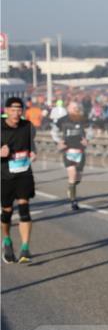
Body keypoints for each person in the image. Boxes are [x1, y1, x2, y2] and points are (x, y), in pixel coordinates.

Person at [1, 97, 37, 263]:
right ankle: (7, 240)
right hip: (5, 176)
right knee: (7, 212)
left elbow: (32, 146)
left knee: (24, 209)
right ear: (6, 110)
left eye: (19, 110)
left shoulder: (28, 126)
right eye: (13, 110)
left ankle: (25, 248)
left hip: (24, 174)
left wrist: (33, 153)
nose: (16, 113)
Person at [52, 101, 91, 211]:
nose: (76, 109)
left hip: (80, 151)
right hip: (68, 150)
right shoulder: (62, 120)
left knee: (78, 178)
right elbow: (54, 132)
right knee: (72, 175)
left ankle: (71, 187)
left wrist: (87, 139)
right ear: (68, 109)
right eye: (73, 107)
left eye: (77, 107)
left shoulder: (83, 119)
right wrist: (58, 141)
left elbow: (90, 131)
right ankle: (73, 201)